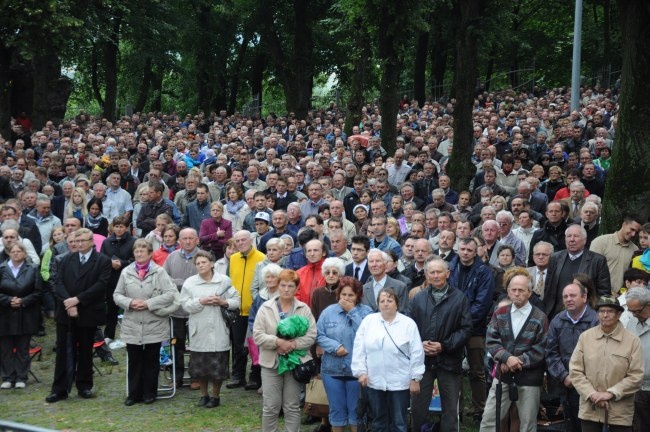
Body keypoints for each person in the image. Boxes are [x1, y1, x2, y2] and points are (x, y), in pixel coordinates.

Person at [46, 228, 112, 403]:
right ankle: (59, 389)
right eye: (77, 240)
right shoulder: (66, 259)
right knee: (62, 351)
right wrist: (69, 302)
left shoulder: (102, 261)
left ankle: (84, 385)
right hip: (66, 311)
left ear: (91, 241)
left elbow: (101, 285)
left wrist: (78, 300)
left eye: (83, 240)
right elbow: (57, 281)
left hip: (88, 311)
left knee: (85, 350)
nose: (80, 243)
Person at [479, 268, 549, 432]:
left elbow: (541, 349)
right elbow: (491, 340)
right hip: (502, 376)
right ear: (508, 292)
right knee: (489, 421)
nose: (517, 293)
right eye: (513, 290)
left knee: (527, 425)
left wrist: (516, 361)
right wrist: (506, 358)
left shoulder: (540, 317)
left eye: (521, 290)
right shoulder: (500, 313)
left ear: (530, 293)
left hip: (530, 378)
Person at [408, 257, 472, 432]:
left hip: (449, 361)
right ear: (426, 274)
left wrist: (443, 346)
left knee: (450, 411)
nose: (436, 276)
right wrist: (419, 345)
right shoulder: (418, 299)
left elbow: (466, 329)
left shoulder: (460, 299)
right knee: (417, 409)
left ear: (448, 273)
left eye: (439, 272)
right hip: (423, 363)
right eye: (432, 272)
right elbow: (407, 327)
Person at [113, 239, 180, 406]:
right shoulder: (126, 272)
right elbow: (117, 295)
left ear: (150, 254)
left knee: (151, 359)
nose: (139, 254)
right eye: (136, 251)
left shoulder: (159, 272)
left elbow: (170, 294)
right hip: (133, 322)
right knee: (134, 359)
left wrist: (149, 303)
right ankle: (133, 394)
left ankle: (150, 393)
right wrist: (129, 302)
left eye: (142, 251)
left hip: (154, 322)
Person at [352, 288, 425, 432]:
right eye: (382, 301)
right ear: (378, 304)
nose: (386, 304)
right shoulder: (369, 321)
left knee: (399, 422)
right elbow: (359, 348)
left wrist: (415, 378)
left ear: (397, 304)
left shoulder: (408, 324)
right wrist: (361, 372)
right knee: (378, 421)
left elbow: (417, 352)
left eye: (389, 301)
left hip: (400, 382)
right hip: (375, 381)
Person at [253, 269, 317, 431]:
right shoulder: (265, 308)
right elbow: (258, 335)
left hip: (295, 364)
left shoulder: (304, 309)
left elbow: (311, 335)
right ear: (277, 286)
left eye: (290, 286)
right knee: (271, 407)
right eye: (283, 285)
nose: (286, 289)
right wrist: (278, 342)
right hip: (271, 363)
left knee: (292, 406)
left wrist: (293, 344)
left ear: (296, 289)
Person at [569, 296, 644, 432]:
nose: (605, 315)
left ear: (619, 314)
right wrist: (592, 394)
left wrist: (610, 393)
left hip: (620, 411)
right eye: (601, 311)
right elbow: (575, 371)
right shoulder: (586, 337)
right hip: (590, 408)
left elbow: (636, 376)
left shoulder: (632, 341)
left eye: (609, 311)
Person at [181, 250, 241, 408]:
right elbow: (185, 305)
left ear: (212, 263)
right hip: (198, 329)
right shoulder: (190, 283)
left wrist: (223, 301)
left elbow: (236, 301)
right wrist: (201, 301)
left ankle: (215, 395)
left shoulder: (224, 281)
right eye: (198, 263)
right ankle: (203, 394)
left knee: (218, 366)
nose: (201, 265)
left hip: (219, 328)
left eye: (204, 262)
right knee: (200, 366)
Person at [316, 276, 373, 432]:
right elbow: (319, 335)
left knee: (357, 412)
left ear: (358, 296)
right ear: (338, 295)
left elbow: (370, 334)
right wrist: (335, 347)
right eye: (343, 295)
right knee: (336, 411)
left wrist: (352, 312)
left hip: (357, 371)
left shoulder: (367, 312)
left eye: (351, 295)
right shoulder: (328, 312)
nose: (346, 299)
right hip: (332, 370)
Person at [448, 237, 495, 423]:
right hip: (452, 328)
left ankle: (479, 410)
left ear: (476, 252)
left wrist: (464, 322)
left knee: (477, 371)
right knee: (453, 369)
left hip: (475, 328)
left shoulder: (484, 272)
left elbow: (482, 303)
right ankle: (455, 409)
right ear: (458, 250)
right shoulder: (450, 269)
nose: (465, 252)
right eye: (462, 249)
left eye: (469, 249)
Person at [545, 283, 599, 432]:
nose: (569, 299)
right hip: (566, 385)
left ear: (584, 297)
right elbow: (551, 352)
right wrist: (563, 376)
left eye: (573, 295)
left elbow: (600, 356)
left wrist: (579, 379)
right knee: (571, 425)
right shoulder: (557, 320)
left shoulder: (597, 321)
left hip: (591, 386)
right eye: (565, 296)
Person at [544, 224, 611, 319]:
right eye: (569, 236)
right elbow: (548, 287)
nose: (572, 239)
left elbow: (604, 292)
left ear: (584, 240)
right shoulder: (555, 258)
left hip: (585, 314)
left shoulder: (597, 260)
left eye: (576, 236)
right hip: (556, 314)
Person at [0, 242, 42, 389]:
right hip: (5, 314)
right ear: (9, 253)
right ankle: (7, 377)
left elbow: (38, 292)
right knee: (5, 348)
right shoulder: (2, 269)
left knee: (22, 348)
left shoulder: (33, 269)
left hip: (26, 314)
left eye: (19, 251)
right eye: (13, 251)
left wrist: (23, 301)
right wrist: (8, 300)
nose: (16, 253)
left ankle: (21, 377)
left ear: (24, 253)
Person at [163, 228, 201, 388]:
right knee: (175, 344)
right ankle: (176, 377)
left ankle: (196, 377)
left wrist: (180, 283)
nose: (187, 241)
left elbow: (205, 280)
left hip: (196, 311)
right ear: (179, 241)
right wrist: (183, 283)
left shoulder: (203, 257)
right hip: (176, 311)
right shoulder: (171, 257)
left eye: (191, 238)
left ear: (197, 240)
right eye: (184, 238)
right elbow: (165, 280)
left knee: (197, 345)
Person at [227, 230, 266, 389]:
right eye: (238, 241)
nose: (241, 243)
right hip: (237, 309)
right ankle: (237, 375)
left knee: (254, 345)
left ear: (251, 240)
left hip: (254, 310)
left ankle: (255, 377)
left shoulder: (262, 258)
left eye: (244, 240)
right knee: (237, 345)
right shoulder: (234, 258)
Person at [99, 215, 136, 344]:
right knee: (112, 308)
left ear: (126, 228)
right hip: (111, 279)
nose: (119, 229)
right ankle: (109, 334)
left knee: (130, 308)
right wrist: (110, 263)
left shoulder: (133, 241)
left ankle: (131, 334)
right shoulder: (107, 242)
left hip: (129, 278)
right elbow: (101, 259)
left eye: (121, 227)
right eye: (116, 226)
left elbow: (135, 260)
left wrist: (122, 263)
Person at [589, 214, 642, 292]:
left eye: (636, 232)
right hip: (598, 294)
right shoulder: (600, 242)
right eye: (632, 229)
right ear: (624, 224)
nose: (633, 234)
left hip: (622, 297)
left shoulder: (635, 250)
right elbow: (591, 271)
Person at [624, 288, 650, 432]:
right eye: (631, 311)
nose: (634, 315)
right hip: (637, 388)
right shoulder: (632, 323)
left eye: (638, 311)